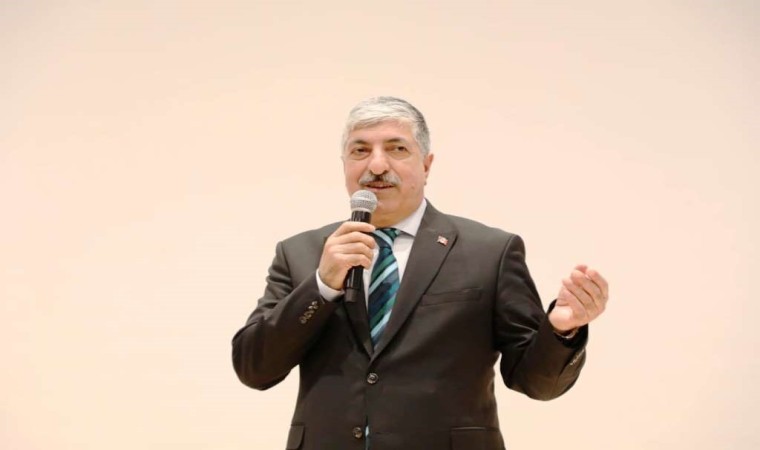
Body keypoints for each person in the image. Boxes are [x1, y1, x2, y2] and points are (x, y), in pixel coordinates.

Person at [232, 96, 609, 450]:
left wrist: (560, 331)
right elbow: (254, 368)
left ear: (426, 165)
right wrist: (322, 286)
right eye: (360, 151)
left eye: (397, 149)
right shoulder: (300, 253)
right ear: (344, 164)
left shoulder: (490, 252)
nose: (376, 166)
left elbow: (534, 381)